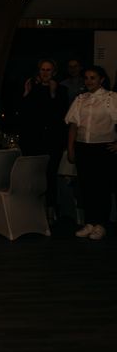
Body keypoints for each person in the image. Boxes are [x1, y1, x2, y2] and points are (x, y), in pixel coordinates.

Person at [65, 66, 117, 241]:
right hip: (83, 149)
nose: (88, 81)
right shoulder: (80, 99)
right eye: (86, 78)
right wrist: (71, 149)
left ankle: (101, 225)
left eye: (93, 78)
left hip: (103, 149)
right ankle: (90, 222)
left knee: (102, 188)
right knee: (86, 187)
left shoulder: (112, 98)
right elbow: (73, 125)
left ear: (101, 79)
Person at [19, 58, 68, 221]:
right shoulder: (33, 89)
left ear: (54, 72)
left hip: (53, 141)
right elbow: (25, 116)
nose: (45, 73)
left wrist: (53, 94)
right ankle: (33, 211)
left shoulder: (61, 90)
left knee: (50, 176)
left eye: (48, 70)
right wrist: (26, 93)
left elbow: (61, 116)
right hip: (33, 141)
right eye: (42, 69)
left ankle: (50, 210)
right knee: (33, 176)